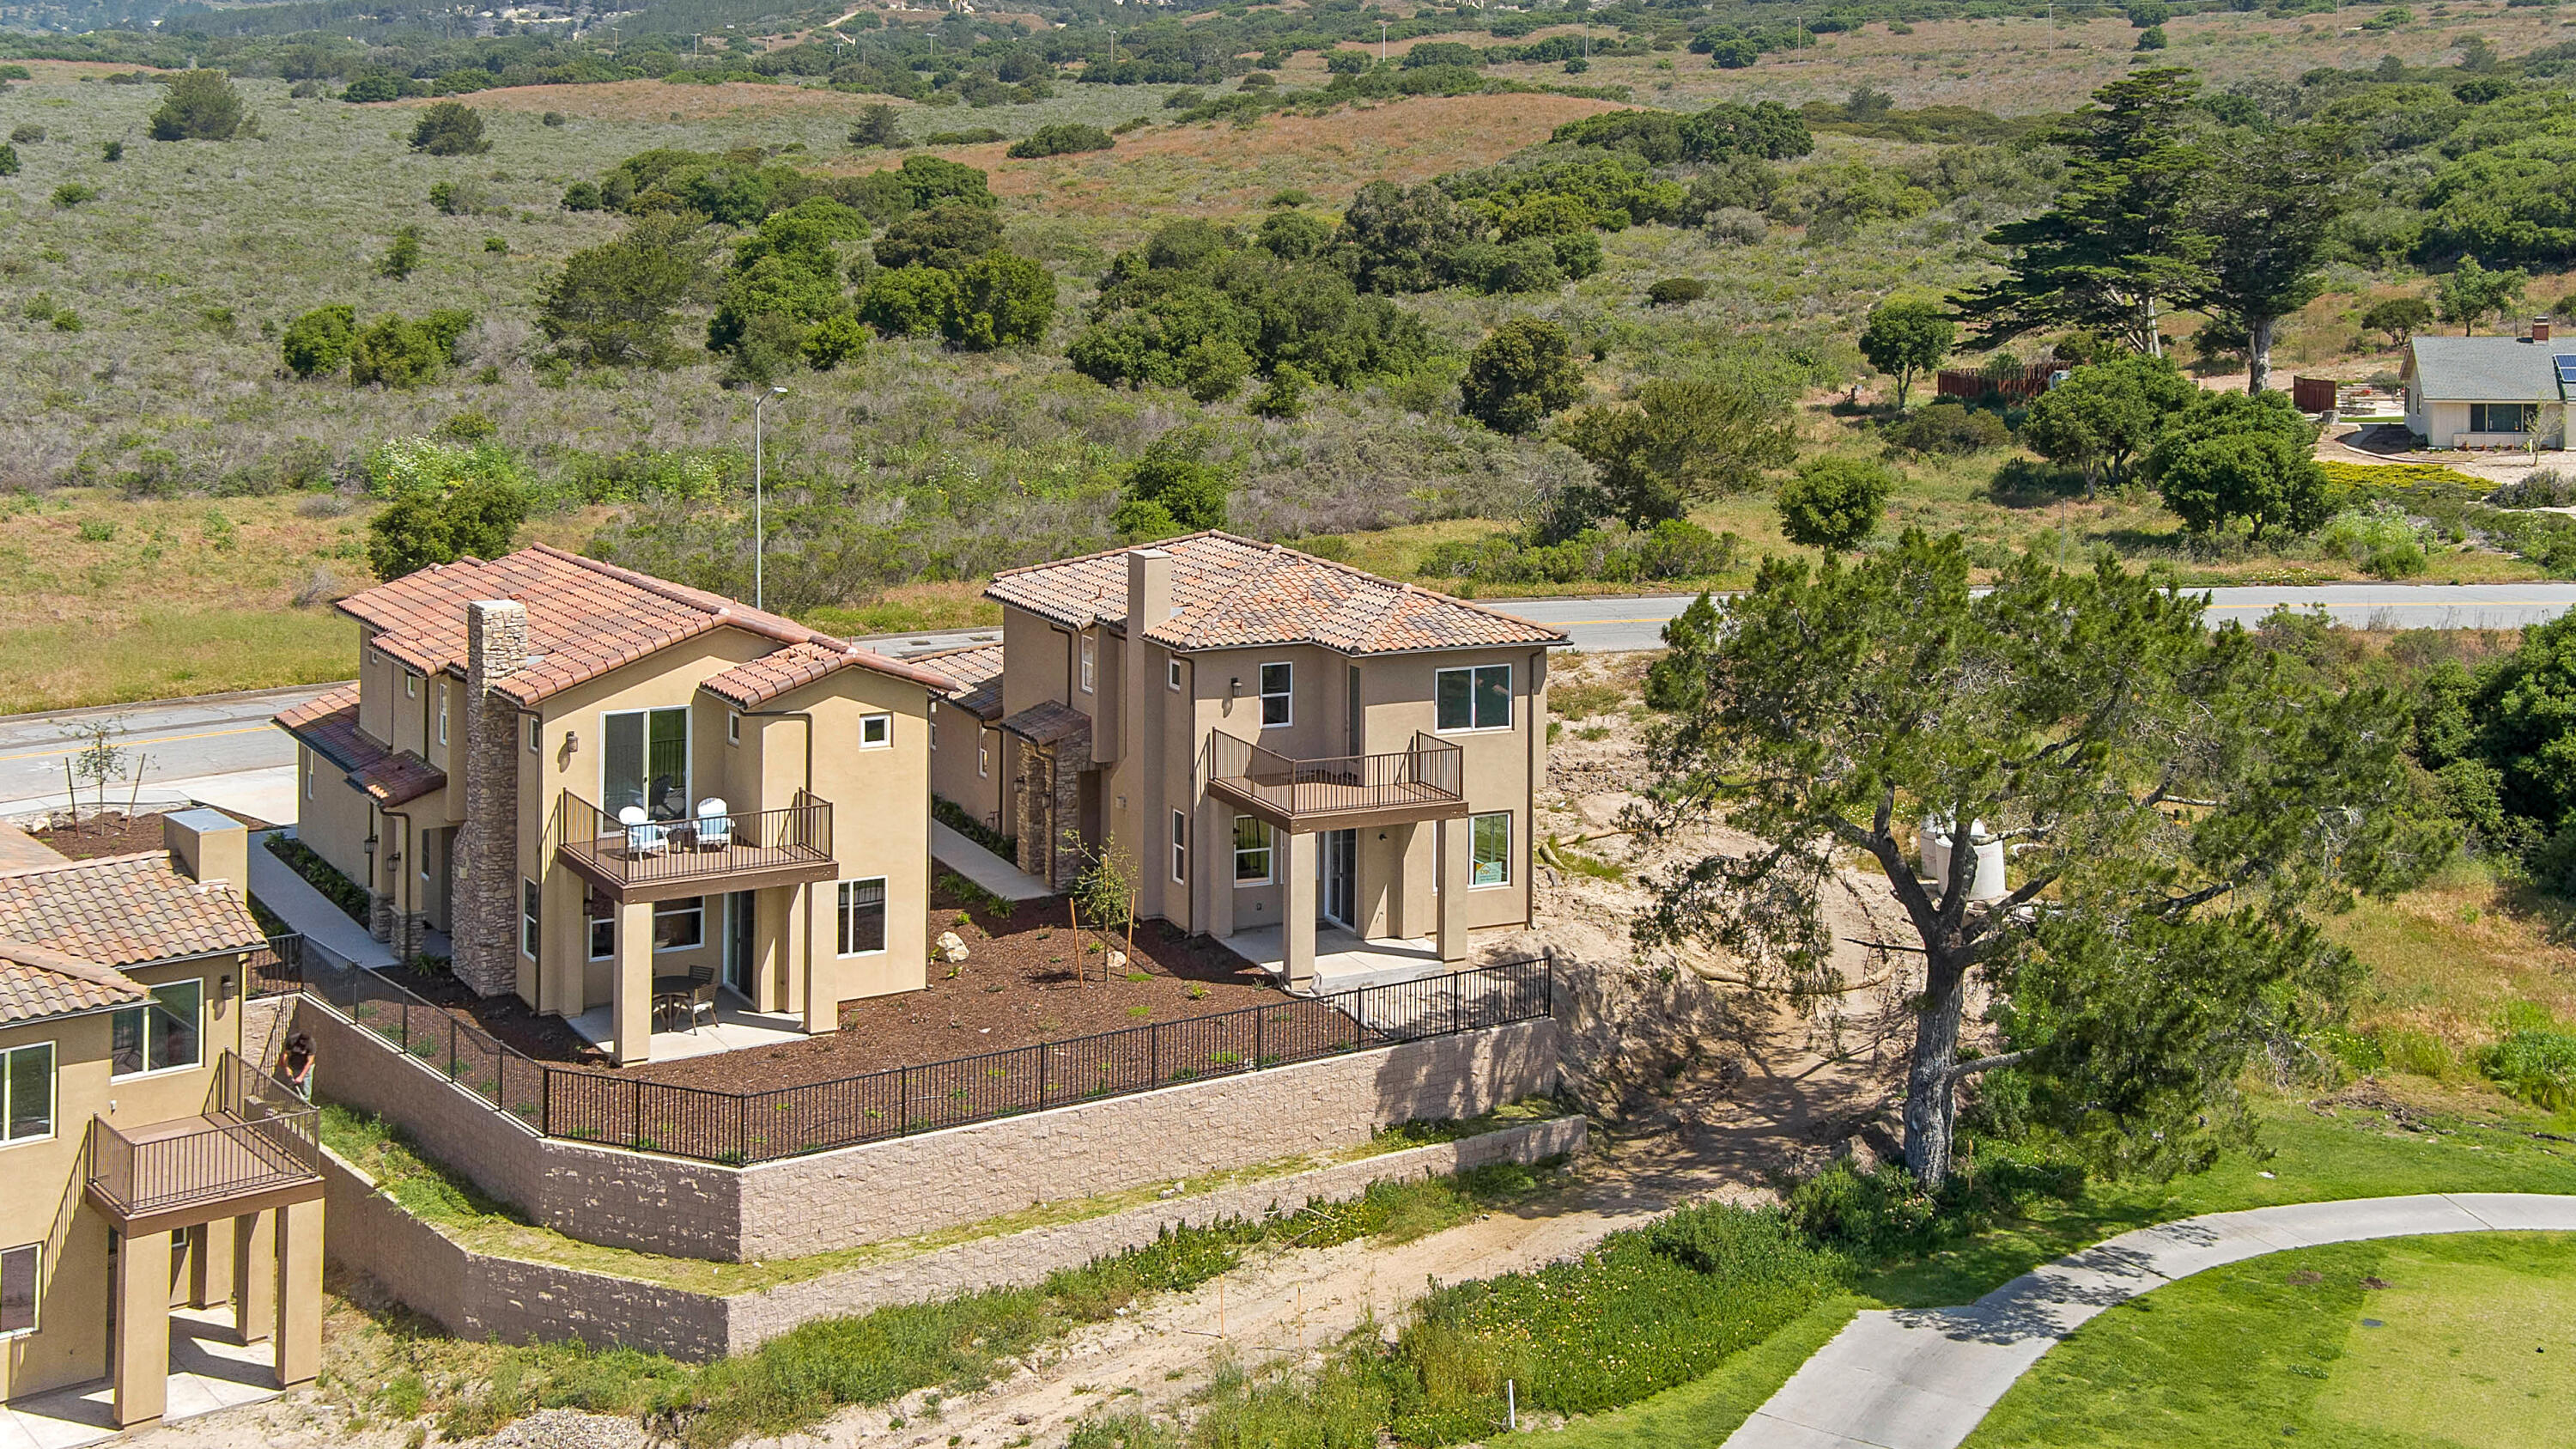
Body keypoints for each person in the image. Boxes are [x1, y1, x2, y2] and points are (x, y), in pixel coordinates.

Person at [279, 1032, 315, 1099]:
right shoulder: (292, 1040)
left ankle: (306, 1104)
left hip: (306, 1066)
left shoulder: (311, 1044)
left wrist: (301, 1076)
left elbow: (309, 1062)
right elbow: (286, 1054)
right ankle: (290, 1101)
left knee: (306, 1085)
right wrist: (287, 1068)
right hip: (294, 1064)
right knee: (292, 1084)